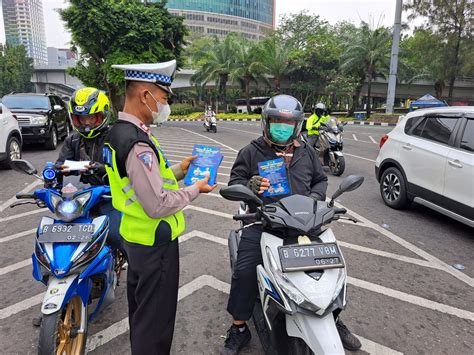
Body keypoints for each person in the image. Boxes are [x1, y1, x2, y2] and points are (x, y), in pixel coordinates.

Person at [221, 95, 362, 354]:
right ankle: (238, 328)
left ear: (297, 125)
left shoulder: (306, 151)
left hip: (306, 222)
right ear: (266, 122)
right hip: (263, 221)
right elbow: (234, 182)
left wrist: (314, 199)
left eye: (288, 123)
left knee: (333, 270)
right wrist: (250, 186)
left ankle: (333, 318)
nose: (282, 127)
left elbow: (320, 181)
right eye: (277, 121)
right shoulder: (251, 151)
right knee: (244, 272)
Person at [104, 59, 216, 354]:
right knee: (155, 323)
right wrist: (195, 189)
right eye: (164, 97)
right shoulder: (138, 144)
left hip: (136, 239)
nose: (165, 105)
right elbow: (157, 203)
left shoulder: (118, 133)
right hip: (155, 245)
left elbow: (146, 182)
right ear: (145, 95)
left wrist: (181, 169)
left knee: (142, 315)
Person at [55, 87, 122, 250]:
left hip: (110, 196)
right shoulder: (73, 140)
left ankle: (134, 273)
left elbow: (125, 167)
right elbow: (60, 163)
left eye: (91, 117)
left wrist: (103, 169)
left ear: (102, 115)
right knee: (58, 236)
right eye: (81, 118)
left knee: (116, 236)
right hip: (78, 198)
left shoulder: (116, 137)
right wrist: (59, 170)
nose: (86, 123)